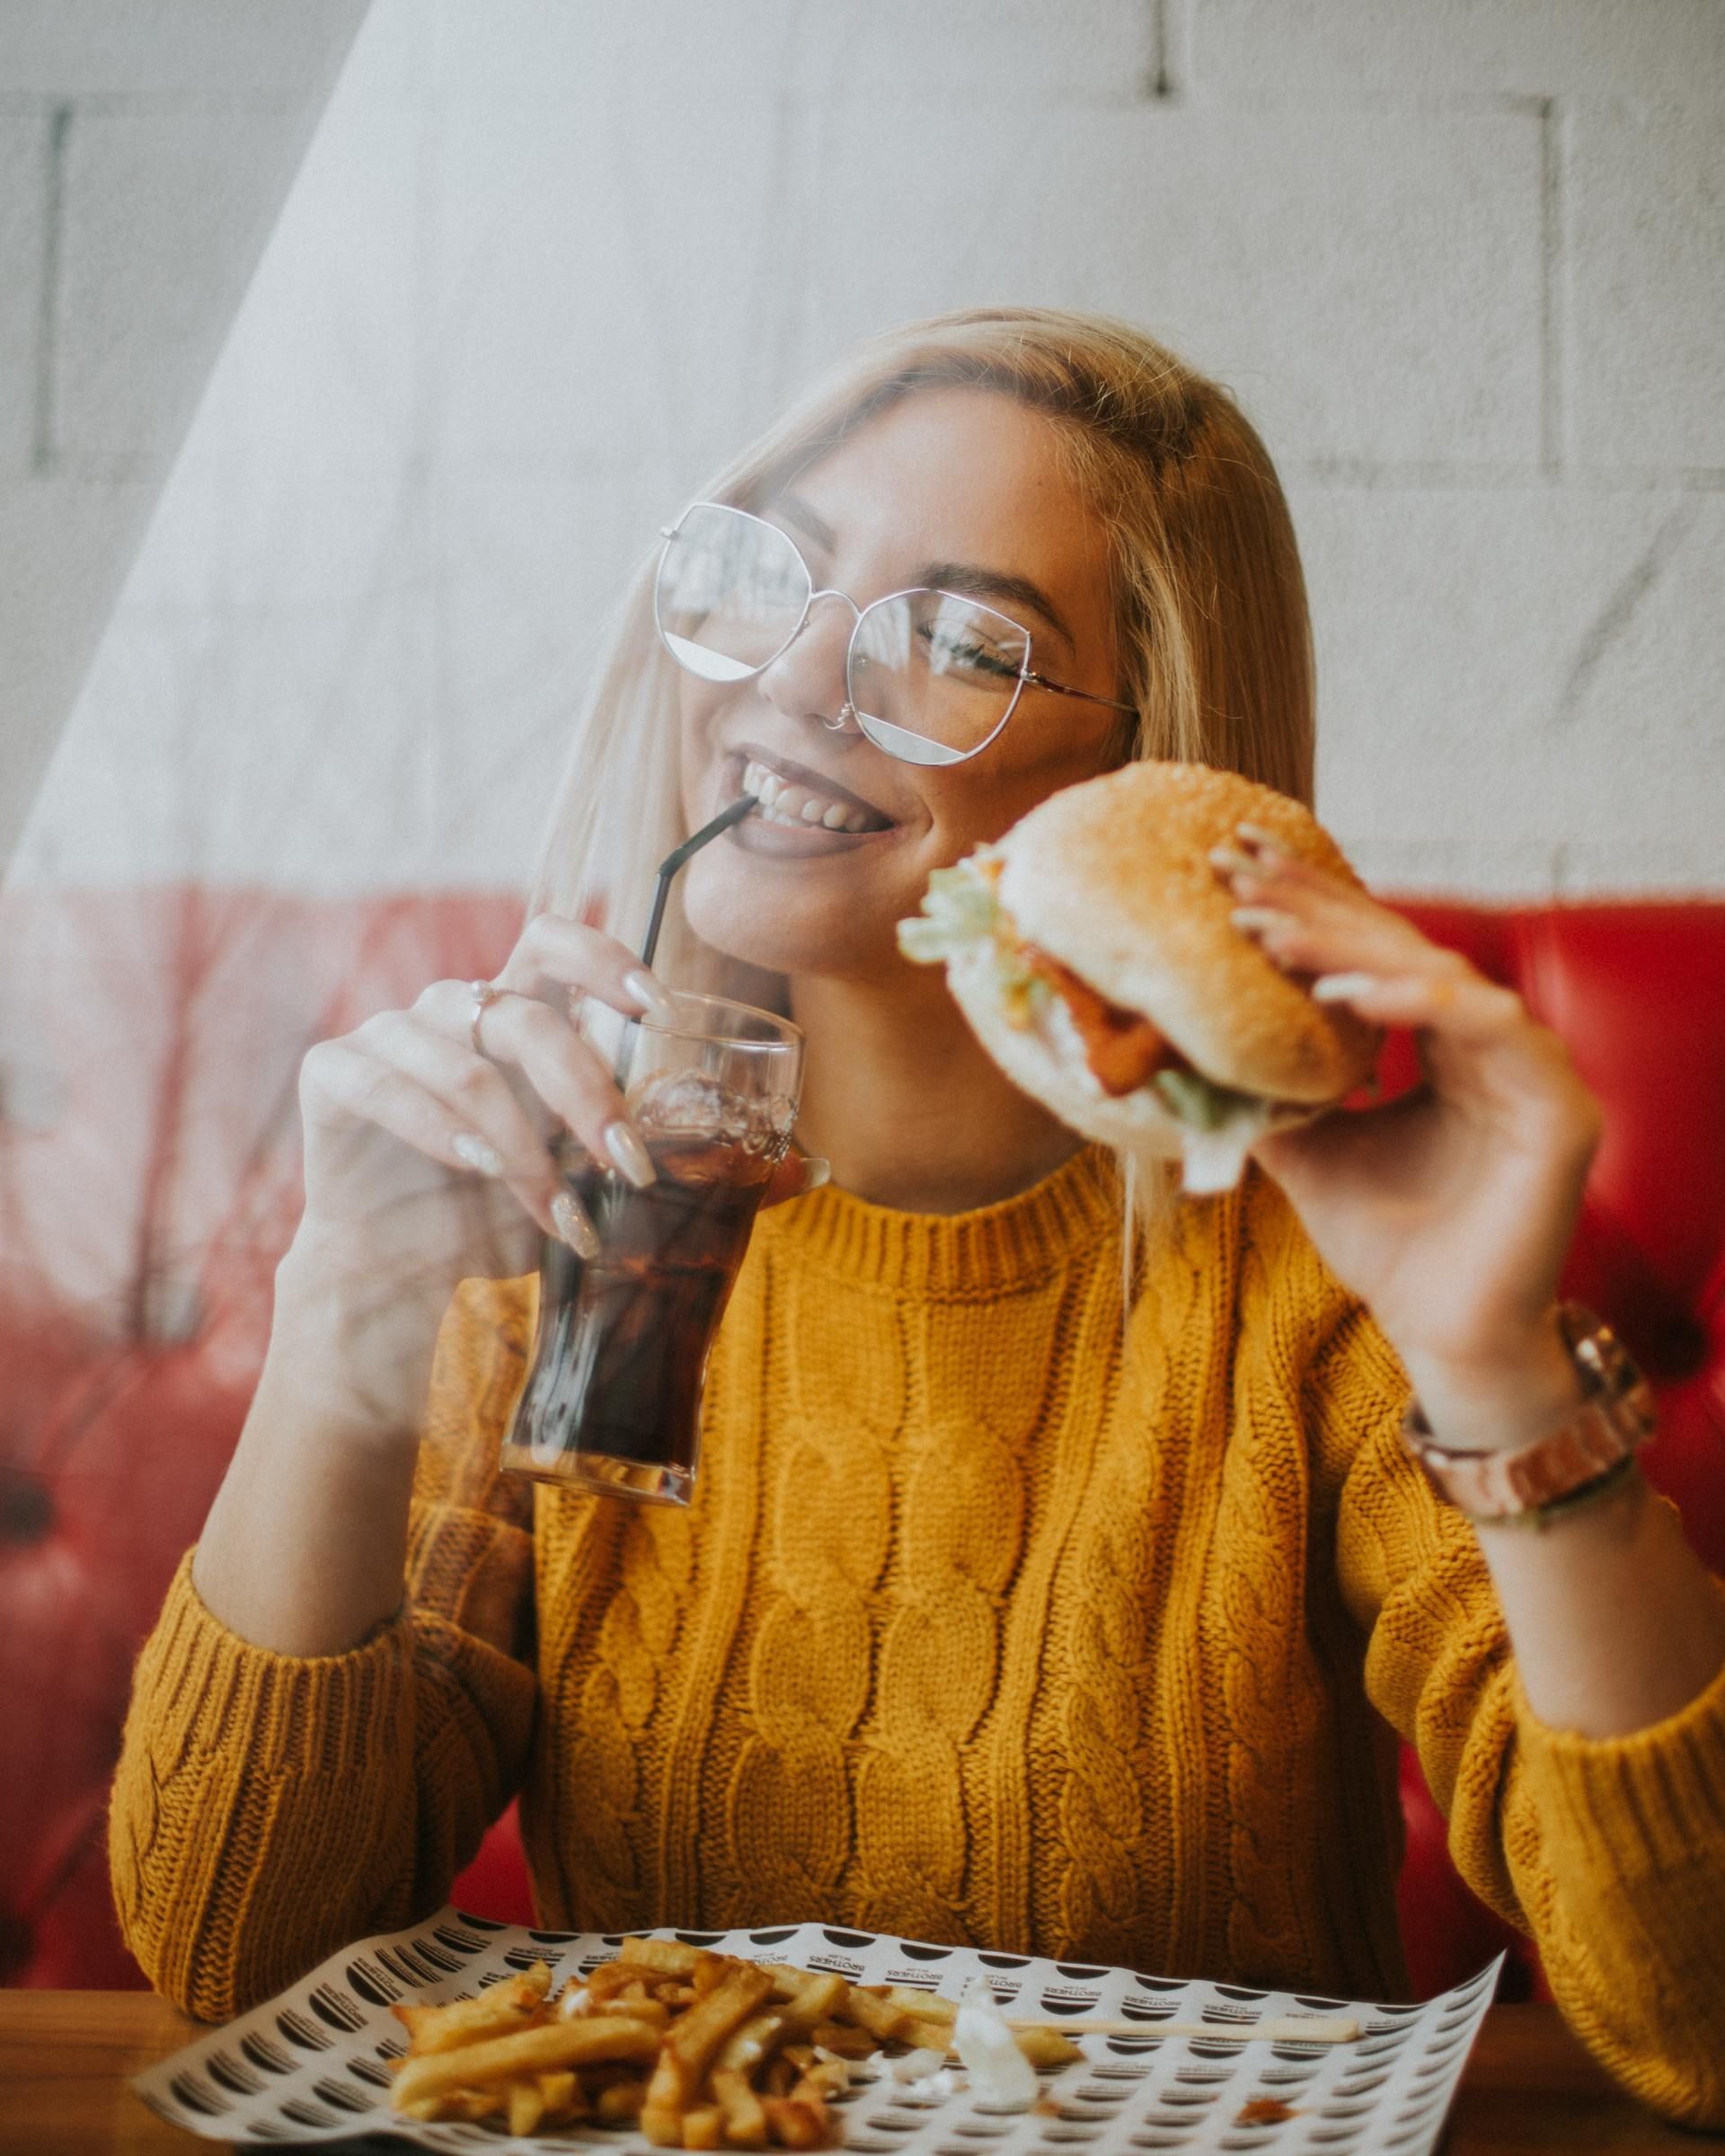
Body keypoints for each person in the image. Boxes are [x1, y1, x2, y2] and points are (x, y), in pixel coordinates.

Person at [110, 308, 1725, 2124]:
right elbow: (231, 1945)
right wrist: (341, 1329)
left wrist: (1500, 1370)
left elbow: (1701, 2018)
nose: (790, 683)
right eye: (776, 577)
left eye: (960, 640)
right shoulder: (562, 1200)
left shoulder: (1320, 1269)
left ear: (1150, 762)